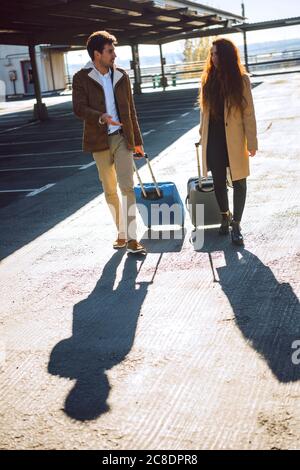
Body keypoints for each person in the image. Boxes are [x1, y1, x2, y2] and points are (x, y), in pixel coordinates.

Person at [72, 31, 145, 254]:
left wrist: (138, 141)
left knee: (127, 187)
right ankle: (121, 232)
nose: (115, 55)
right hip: (99, 140)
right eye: (110, 51)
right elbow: (78, 108)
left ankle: (132, 238)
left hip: (122, 138)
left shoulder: (122, 76)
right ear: (97, 54)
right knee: (110, 190)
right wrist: (100, 116)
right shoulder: (81, 78)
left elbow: (131, 111)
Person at [199, 38, 258, 245]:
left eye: (217, 54)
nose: (213, 58)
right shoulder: (207, 79)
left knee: (240, 181)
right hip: (213, 137)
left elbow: (248, 113)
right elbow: (203, 112)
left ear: (226, 56)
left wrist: (252, 141)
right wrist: (201, 136)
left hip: (234, 137)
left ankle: (237, 224)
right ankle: (225, 215)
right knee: (218, 182)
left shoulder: (241, 80)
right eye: (211, 54)